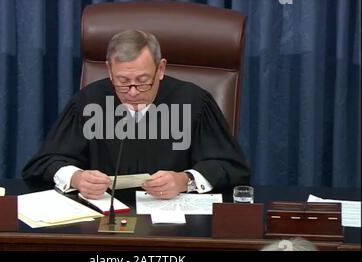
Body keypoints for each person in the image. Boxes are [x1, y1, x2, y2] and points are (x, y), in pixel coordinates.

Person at [22, 29, 250, 200]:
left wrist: (184, 180)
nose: (133, 92)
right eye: (122, 82)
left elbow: (231, 167)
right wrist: (77, 178)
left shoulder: (194, 102)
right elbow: (45, 162)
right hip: (101, 218)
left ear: (160, 69)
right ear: (109, 71)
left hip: (175, 223)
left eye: (143, 81)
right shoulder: (88, 101)